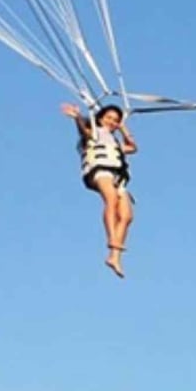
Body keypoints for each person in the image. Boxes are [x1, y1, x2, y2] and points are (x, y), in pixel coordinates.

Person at [62, 101, 138, 277]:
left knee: (127, 216)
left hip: (118, 177)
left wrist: (123, 128)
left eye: (115, 120)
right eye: (109, 118)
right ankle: (112, 239)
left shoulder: (114, 141)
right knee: (110, 200)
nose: (112, 122)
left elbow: (133, 148)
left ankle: (114, 257)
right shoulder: (96, 133)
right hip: (100, 171)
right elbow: (85, 131)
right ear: (101, 118)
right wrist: (78, 118)